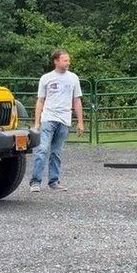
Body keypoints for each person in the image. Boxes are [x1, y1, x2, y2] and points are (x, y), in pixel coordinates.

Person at [29, 49, 85, 192]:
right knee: (42, 149)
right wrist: (37, 123)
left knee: (56, 152)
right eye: (65, 60)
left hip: (64, 119)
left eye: (68, 60)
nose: (68, 62)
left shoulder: (73, 78)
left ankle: (54, 181)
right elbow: (40, 101)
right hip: (48, 118)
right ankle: (35, 181)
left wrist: (80, 122)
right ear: (56, 61)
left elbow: (76, 100)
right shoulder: (46, 78)